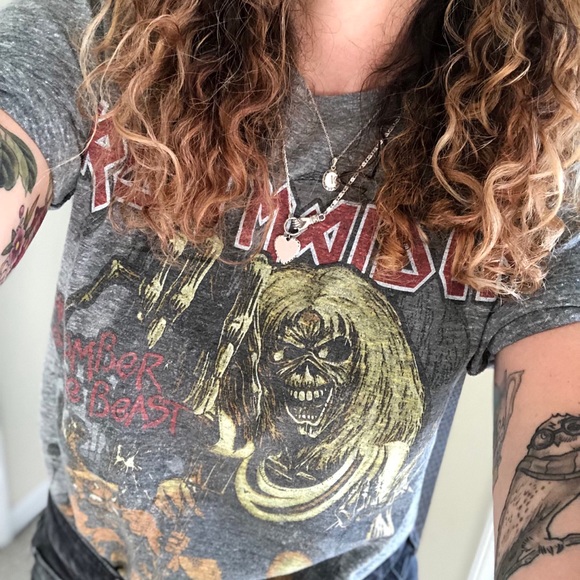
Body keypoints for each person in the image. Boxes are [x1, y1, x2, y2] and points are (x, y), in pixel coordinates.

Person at [0, 0, 579, 578]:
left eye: (333, 350)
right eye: (291, 348)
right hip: (83, 554)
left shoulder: (546, 157)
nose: (305, 368)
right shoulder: (105, 31)